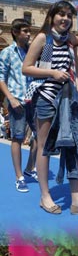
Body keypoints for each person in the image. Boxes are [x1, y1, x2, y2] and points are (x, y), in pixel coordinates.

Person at [22, 3, 78, 217]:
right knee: (45, 146)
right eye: (61, 14)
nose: (65, 18)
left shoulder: (70, 39)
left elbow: (76, 63)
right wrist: (53, 74)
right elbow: (26, 68)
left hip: (68, 100)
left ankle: (77, 198)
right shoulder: (44, 39)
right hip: (47, 97)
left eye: (69, 15)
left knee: (73, 146)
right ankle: (45, 196)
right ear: (52, 16)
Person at [0, 19, 37, 193]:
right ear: (15, 32)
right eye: (25, 31)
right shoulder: (7, 52)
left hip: (35, 100)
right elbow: (1, 78)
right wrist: (10, 98)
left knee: (40, 136)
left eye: (29, 31)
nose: (29, 34)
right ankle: (19, 177)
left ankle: (30, 168)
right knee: (17, 137)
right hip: (18, 101)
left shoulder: (33, 51)